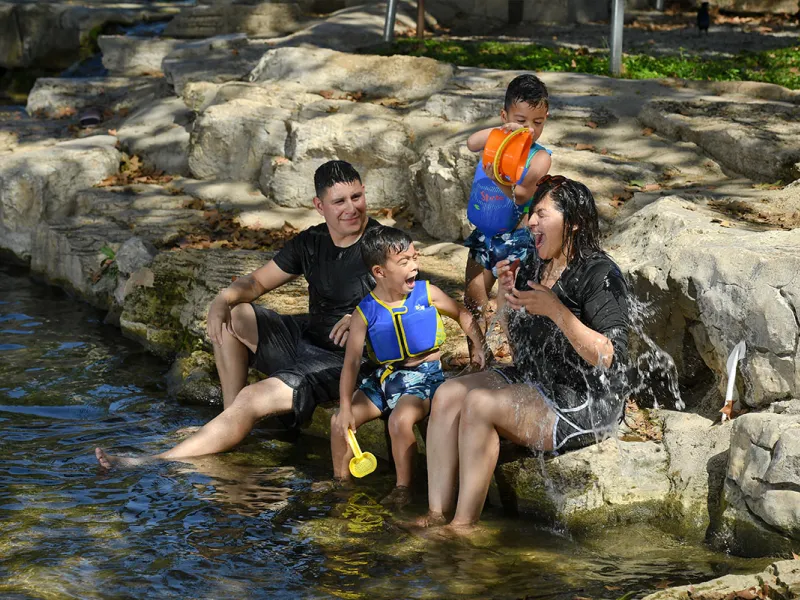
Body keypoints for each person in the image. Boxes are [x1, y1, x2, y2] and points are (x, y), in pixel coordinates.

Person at [96, 160, 380, 467]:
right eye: (339, 201)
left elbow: (414, 300)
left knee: (253, 397)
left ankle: (153, 460)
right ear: (319, 205)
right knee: (237, 313)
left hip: (345, 361)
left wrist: (364, 314)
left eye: (356, 197)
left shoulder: (384, 244)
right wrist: (223, 299)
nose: (351, 208)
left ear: (364, 192)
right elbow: (257, 282)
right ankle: (230, 419)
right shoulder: (311, 242)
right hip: (306, 341)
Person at [418, 176, 630, 530]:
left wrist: (556, 310)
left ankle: (463, 526)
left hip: (582, 401)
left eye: (542, 214)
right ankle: (436, 514)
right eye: (532, 213)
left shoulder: (599, 273)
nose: (531, 221)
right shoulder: (535, 262)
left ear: (573, 222)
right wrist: (506, 296)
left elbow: (612, 357)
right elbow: (521, 350)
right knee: (448, 393)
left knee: (479, 404)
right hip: (538, 380)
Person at [330, 226, 486, 507]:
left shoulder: (428, 294)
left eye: (415, 257)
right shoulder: (365, 312)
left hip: (424, 378)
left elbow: (462, 315)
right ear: (379, 272)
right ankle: (341, 485)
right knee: (338, 422)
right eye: (404, 262)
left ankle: (403, 488)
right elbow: (351, 362)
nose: (415, 266)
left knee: (400, 419)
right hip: (385, 379)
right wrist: (344, 409)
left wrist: (478, 350)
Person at [463, 74, 553, 345]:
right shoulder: (496, 139)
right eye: (521, 120)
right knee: (473, 300)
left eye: (537, 122)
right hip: (483, 234)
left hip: (515, 239)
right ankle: (478, 359)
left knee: (510, 310)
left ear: (546, 118)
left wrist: (497, 179)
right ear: (505, 115)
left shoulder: (540, 157)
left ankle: (518, 364)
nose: (529, 129)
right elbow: (470, 143)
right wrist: (501, 132)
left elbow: (523, 194)